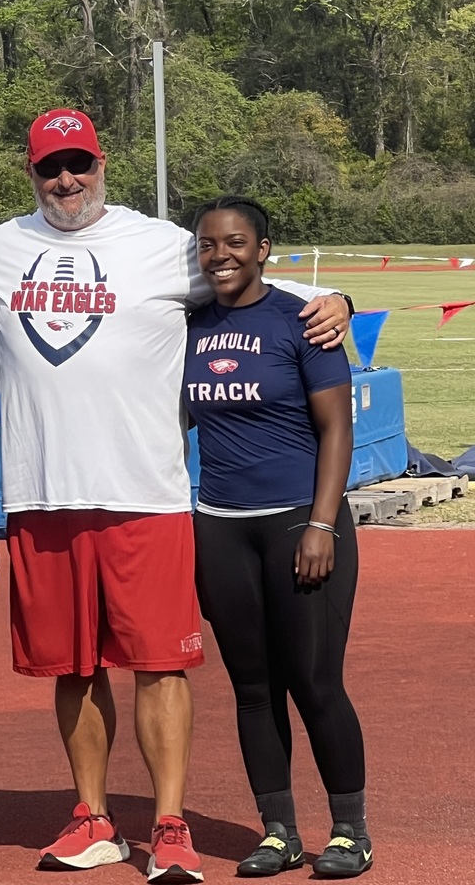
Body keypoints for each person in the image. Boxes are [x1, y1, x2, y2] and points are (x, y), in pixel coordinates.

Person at [0, 109, 353, 883]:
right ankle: (94, 819)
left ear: (102, 163)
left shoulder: (161, 244)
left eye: (79, 163)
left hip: (147, 493)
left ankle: (169, 826)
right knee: (73, 670)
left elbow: (255, 281)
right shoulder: (0, 250)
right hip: (42, 496)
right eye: (50, 168)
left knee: (158, 666)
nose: (66, 180)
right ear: (30, 172)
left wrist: (333, 294)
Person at [184, 196, 372, 879]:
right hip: (222, 527)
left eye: (235, 243)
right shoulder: (189, 325)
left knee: (315, 681)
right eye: (208, 244)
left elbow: (337, 430)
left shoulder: (303, 322)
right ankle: (279, 831)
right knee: (253, 688)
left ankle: (350, 829)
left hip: (302, 520)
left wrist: (322, 523)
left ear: (263, 248)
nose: (221, 255)